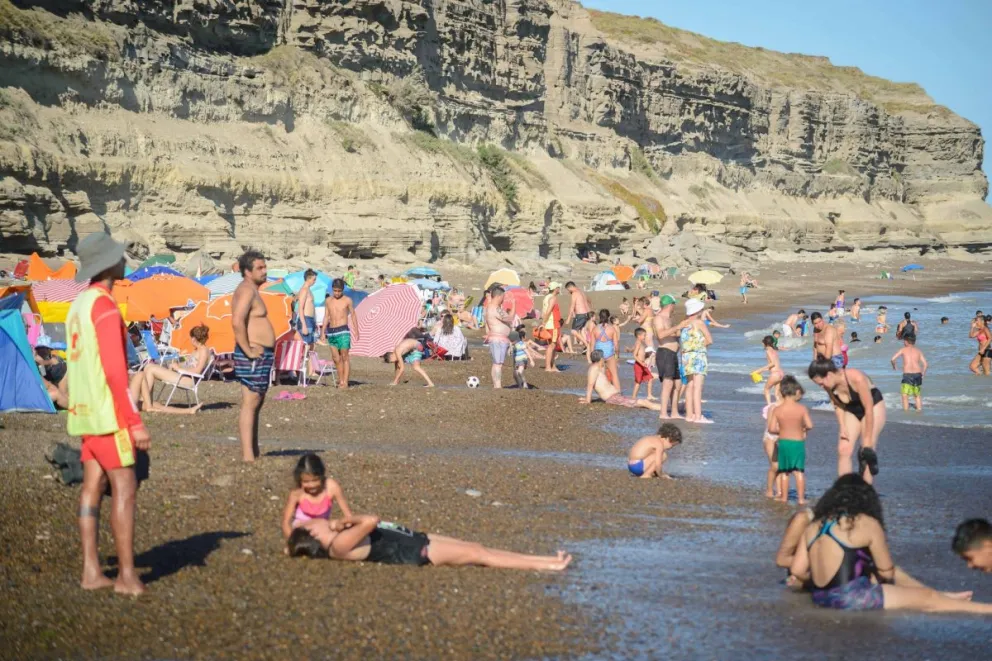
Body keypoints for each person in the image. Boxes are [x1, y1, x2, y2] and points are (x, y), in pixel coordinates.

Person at [65, 232, 151, 596]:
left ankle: (91, 571)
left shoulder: (78, 305)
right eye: (119, 256)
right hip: (107, 414)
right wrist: (135, 421)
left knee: (91, 488)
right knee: (124, 490)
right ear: (107, 264)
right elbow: (116, 371)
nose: (124, 260)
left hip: (84, 412)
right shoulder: (104, 305)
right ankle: (127, 576)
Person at [789, 474, 992, 614]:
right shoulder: (867, 523)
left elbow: (798, 570)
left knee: (867, 573)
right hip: (853, 598)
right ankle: (985, 609)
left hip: (821, 597)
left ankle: (945, 596)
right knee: (928, 598)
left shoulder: (814, 526)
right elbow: (887, 572)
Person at [288, 513, 571, 571]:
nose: (314, 519)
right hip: (414, 552)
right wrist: (343, 521)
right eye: (309, 523)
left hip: (414, 539)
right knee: (478, 554)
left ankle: (545, 559)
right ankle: (547, 565)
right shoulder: (337, 546)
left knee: (477, 547)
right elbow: (371, 520)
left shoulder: (337, 539)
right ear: (313, 534)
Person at [808, 359, 886, 485]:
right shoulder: (829, 385)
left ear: (829, 375)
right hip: (850, 409)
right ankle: (845, 490)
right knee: (843, 449)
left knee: (866, 451)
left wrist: (867, 440)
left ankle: (866, 490)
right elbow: (837, 404)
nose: (822, 387)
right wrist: (842, 426)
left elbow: (868, 409)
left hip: (872, 407)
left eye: (821, 383)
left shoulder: (856, 378)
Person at [232, 250, 275, 463]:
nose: (264, 271)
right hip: (253, 352)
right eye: (259, 268)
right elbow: (237, 321)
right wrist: (248, 350)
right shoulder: (246, 290)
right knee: (250, 401)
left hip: (261, 352)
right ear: (247, 272)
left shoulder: (252, 290)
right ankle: (248, 456)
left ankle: (254, 452)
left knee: (257, 400)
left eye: (264, 266)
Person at [130, 324, 210, 414]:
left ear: (194, 339)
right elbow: (188, 365)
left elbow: (198, 370)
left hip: (189, 380)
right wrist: (177, 364)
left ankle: (145, 401)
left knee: (151, 369)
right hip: (183, 375)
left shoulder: (203, 350)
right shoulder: (197, 350)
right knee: (149, 366)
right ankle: (146, 400)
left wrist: (179, 368)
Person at [281, 453, 353, 546]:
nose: (311, 485)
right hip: (302, 532)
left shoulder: (331, 487)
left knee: (336, 525)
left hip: (322, 529)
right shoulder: (297, 493)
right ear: (300, 480)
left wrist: (347, 529)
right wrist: (293, 544)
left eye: (315, 480)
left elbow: (348, 516)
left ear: (322, 476)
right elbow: (285, 523)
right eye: (306, 481)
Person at [768, 376, 813, 505]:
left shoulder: (777, 410)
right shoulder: (802, 408)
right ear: (796, 392)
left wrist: (782, 430)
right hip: (798, 443)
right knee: (799, 472)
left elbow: (771, 429)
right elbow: (810, 425)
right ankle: (801, 499)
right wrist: (802, 429)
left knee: (784, 472)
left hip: (783, 443)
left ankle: (784, 498)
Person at [581, 350, 661, 411]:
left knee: (643, 402)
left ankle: (664, 408)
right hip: (613, 398)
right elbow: (590, 385)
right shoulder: (594, 369)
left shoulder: (598, 367)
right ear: (601, 359)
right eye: (603, 358)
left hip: (615, 397)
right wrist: (588, 400)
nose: (604, 360)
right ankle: (664, 409)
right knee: (644, 402)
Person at [677, 299, 712, 424]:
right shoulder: (699, 323)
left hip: (686, 356)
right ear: (697, 310)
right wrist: (699, 346)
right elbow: (709, 340)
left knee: (689, 386)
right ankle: (698, 416)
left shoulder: (684, 323)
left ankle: (689, 415)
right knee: (698, 387)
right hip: (697, 355)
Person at [320, 278, 360, 389]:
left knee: (344, 356)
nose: (337, 293)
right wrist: (322, 332)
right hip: (331, 332)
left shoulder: (347, 300)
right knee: (335, 358)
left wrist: (356, 330)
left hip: (343, 331)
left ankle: (345, 382)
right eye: (335, 291)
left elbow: (353, 314)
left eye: (339, 291)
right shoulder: (328, 300)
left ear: (343, 290)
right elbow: (326, 316)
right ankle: (341, 379)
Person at [486, 286, 514, 388]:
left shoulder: (490, 307)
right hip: (498, 339)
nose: (504, 299)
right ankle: (497, 386)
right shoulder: (495, 308)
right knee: (498, 364)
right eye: (503, 297)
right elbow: (509, 318)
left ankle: (496, 385)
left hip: (497, 338)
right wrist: (514, 305)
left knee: (496, 363)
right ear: (499, 296)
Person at [891, 333, 927, 412]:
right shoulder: (918, 351)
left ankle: (906, 412)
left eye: (904, 340)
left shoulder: (903, 350)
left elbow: (892, 359)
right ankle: (919, 410)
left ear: (906, 341)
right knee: (917, 395)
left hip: (907, 375)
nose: (903, 342)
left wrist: (894, 366)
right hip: (918, 374)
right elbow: (925, 364)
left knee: (905, 395)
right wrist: (923, 373)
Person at [588, 309, 620, 391]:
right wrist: (617, 357)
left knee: (599, 376)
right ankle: (618, 394)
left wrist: (592, 358)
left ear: (599, 317)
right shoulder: (612, 329)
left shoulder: (595, 329)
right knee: (614, 375)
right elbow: (616, 346)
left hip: (598, 355)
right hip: (609, 355)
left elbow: (592, 345)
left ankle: (603, 393)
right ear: (608, 317)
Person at [754, 335, 783, 406]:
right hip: (781, 373)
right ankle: (781, 407)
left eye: (763, 342)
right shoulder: (774, 350)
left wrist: (760, 370)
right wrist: (763, 370)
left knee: (766, 389)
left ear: (765, 343)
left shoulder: (768, 351)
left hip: (775, 374)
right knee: (777, 393)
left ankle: (769, 406)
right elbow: (774, 364)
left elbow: (772, 363)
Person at [563, 281, 592, 351]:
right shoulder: (581, 292)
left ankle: (587, 345)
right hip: (587, 313)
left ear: (570, 287)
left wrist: (568, 318)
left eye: (568, 289)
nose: (569, 291)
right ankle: (587, 346)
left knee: (573, 331)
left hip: (580, 314)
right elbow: (589, 300)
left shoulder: (574, 293)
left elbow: (572, 306)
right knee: (583, 330)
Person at [540, 282, 562, 372]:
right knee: (552, 345)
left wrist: (544, 322)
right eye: (558, 288)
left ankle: (553, 366)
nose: (559, 289)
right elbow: (548, 311)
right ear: (555, 289)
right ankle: (548, 367)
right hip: (552, 324)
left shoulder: (546, 297)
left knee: (552, 345)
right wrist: (543, 323)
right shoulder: (553, 298)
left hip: (549, 324)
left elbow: (543, 311)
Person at [762, 401, 780, 499]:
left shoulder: (793, 407)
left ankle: (779, 491)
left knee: (782, 467)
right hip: (770, 438)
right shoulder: (773, 407)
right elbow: (770, 428)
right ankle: (769, 490)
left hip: (784, 438)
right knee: (775, 466)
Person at [630, 328, 655, 401]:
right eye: (644, 335)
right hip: (639, 365)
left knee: (650, 378)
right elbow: (634, 355)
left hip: (643, 364)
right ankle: (633, 397)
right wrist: (641, 363)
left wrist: (647, 355)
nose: (645, 337)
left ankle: (649, 395)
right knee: (638, 381)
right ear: (639, 336)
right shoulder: (638, 343)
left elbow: (637, 351)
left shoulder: (640, 343)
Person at [295, 269, 318, 347]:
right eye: (314, 279)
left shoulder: (307, 289)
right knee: (305, 346)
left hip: (310, 320)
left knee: (311, 345)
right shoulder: (304, 290)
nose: (315, 282)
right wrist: (304, 325)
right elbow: (300, 308)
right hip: (305, 320)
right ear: (308, 279)